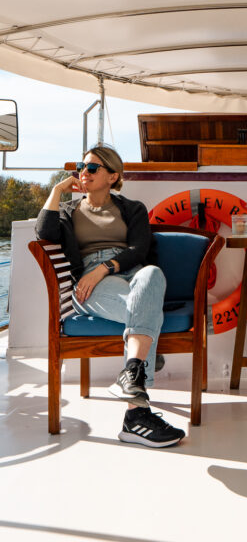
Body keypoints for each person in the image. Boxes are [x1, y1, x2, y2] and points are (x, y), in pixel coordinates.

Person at [36, 145, 185, 448]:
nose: (83, 172)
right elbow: (44, 233)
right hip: (88, 285)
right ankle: (137, 412)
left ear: (113, 175)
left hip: (129, 272)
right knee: (146, 311)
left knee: (153, 274)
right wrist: (57, 191)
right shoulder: (68, 211)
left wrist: (105, 267)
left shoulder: (133, 208)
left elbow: (139, 250)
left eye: (92, 168)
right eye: (81, 166)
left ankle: (133, 379)